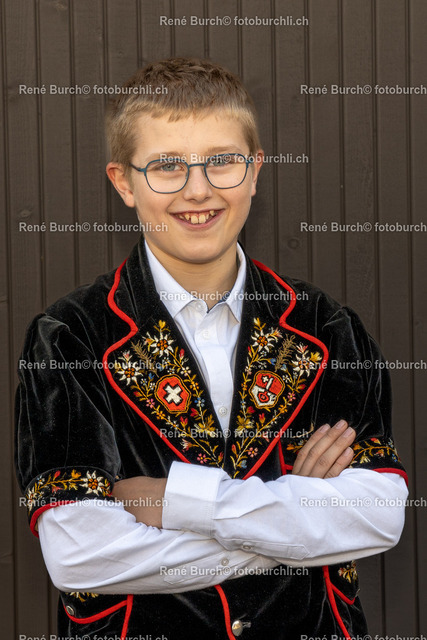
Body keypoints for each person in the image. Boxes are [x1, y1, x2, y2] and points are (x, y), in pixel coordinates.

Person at [15, 57, 408, 640]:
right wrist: (299, 522)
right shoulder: (70, 337)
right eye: (166, 166)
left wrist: (181, 502)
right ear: (123, 182)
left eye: (222, 161)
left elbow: (377, 516)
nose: (197, 190)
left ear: (255, 171)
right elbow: (80, 554)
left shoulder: (327, 328)